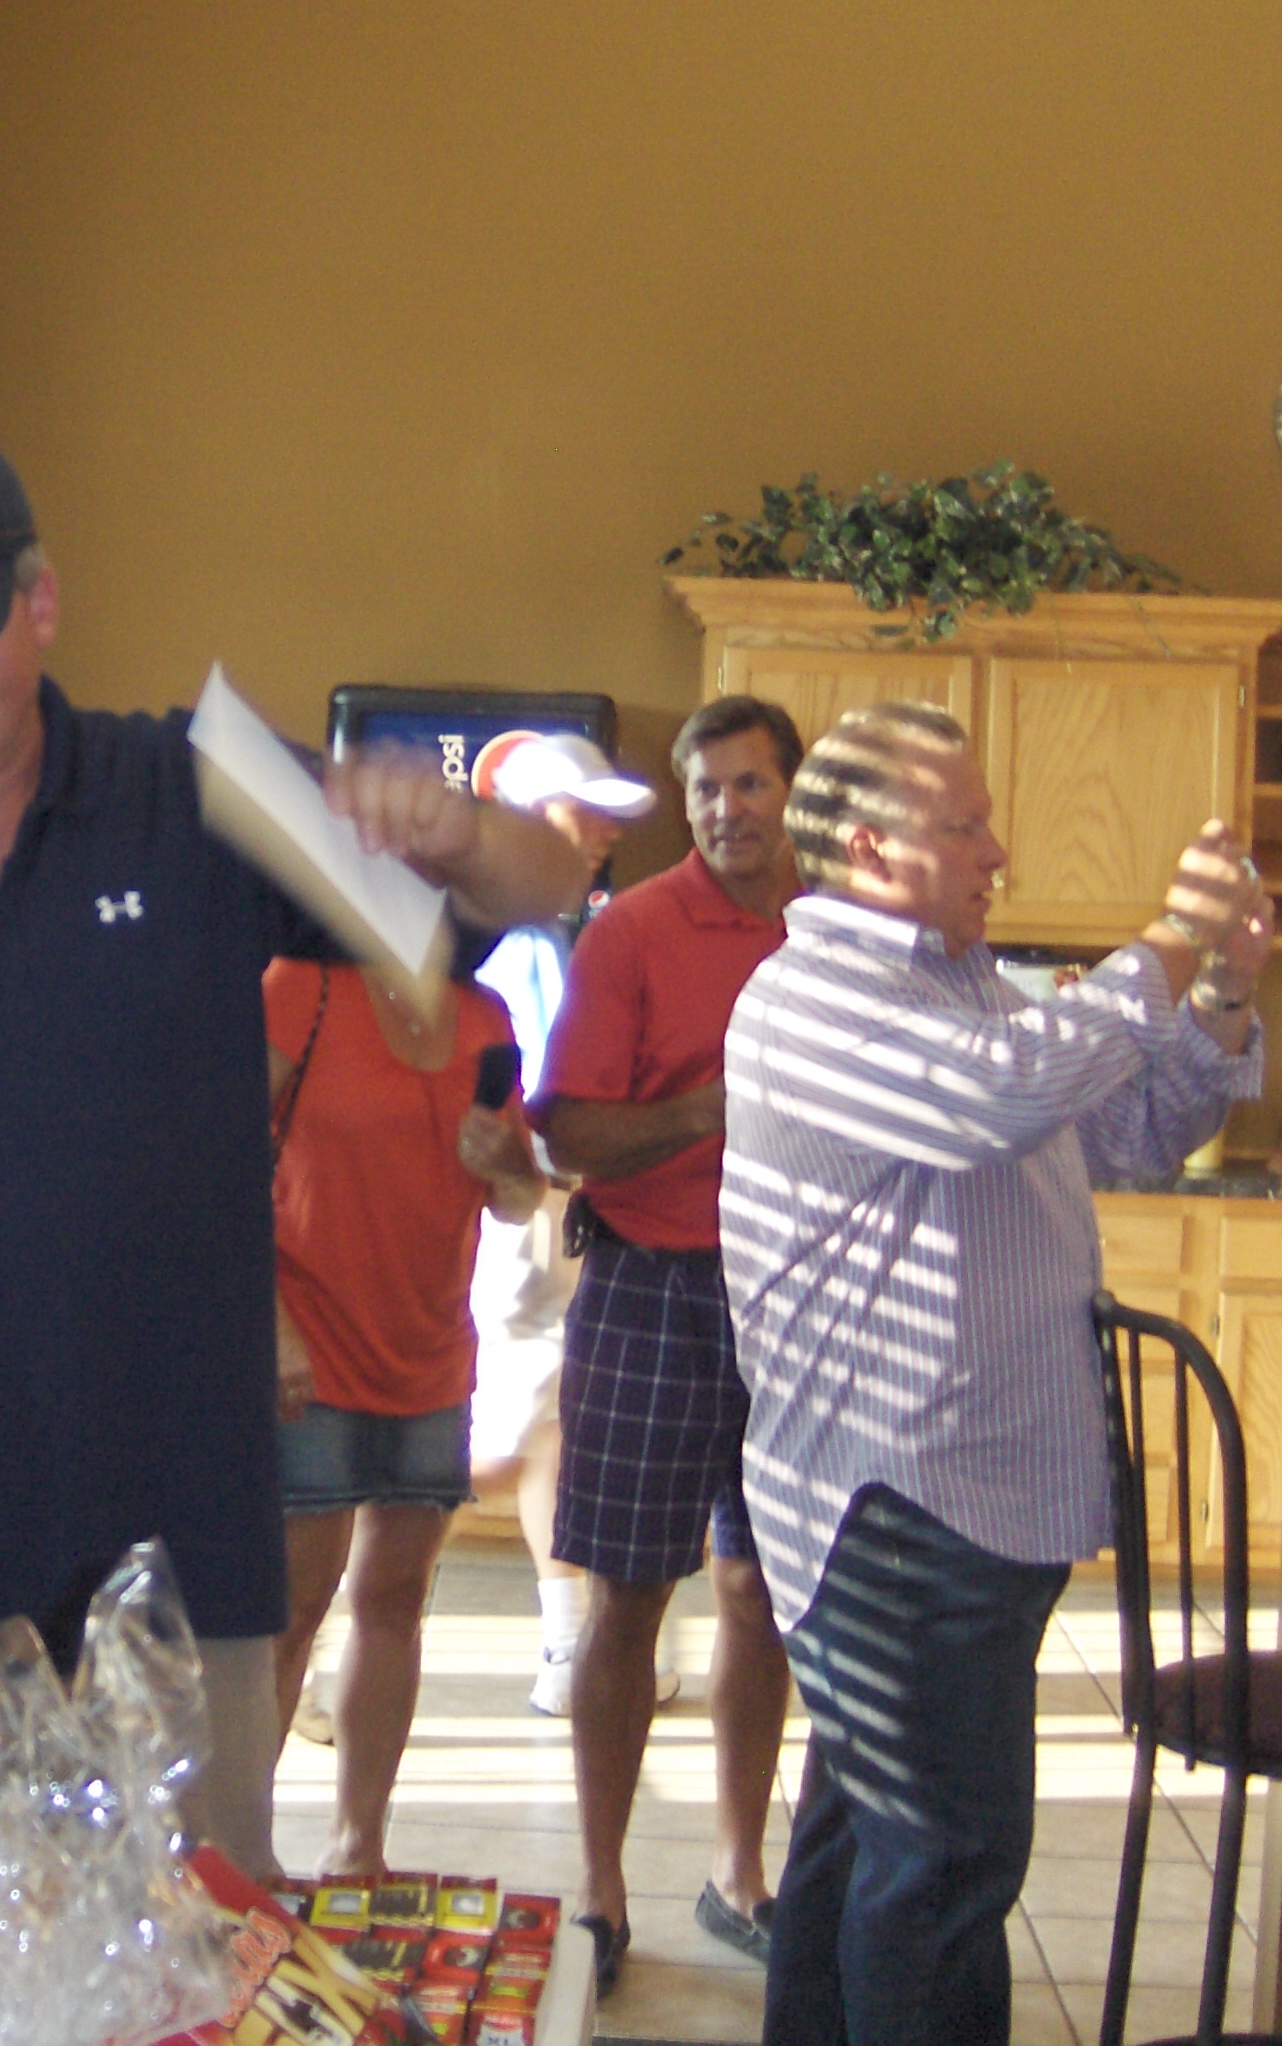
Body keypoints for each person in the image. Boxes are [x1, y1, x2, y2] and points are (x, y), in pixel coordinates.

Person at [0, 422, 586, 1877]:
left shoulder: (192, 796)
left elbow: (538, 879)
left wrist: (455, 830)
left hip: (178, 1596)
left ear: (41, 603)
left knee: (188, 1972)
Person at [720, 702, 1267, 2046]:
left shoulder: (967, 987)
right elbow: (1001, 1095)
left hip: (955, 1500)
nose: (998, 851)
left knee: (869, 1845)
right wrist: (1168, 938)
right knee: (942, 1869)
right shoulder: (815, 995)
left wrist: (1219, 993)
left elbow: (1131, 1132)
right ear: (870, 846)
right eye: (966, 825)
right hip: (902, 1504)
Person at [529, 696, 805, 1983]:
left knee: (764, 1593)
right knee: (626, 1598)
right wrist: (710, 1108)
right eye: (705, 788)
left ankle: (738, 1869)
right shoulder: (632, 928)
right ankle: (598, 1883)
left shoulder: (835, 931)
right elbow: (565, 1129)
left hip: (797, 1296)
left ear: (791, 794)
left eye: (748, 784)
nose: (724, 808)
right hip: (650, 1286)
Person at [265, 959, 539, 1876]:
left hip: (429, 1348)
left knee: (395, 1599)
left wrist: (512, 1167)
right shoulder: (300, 987)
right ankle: (242, 1855)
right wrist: (269, 1325)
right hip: (308, 1348)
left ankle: (359, 1848)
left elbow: (516, 1200)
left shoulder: (483, 1013)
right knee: (291, 1609)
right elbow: (207, 1161)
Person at [461, 733, 661, 1724]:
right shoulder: (527, 943)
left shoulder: (529, 931)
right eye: (584, 813)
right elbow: (544, 1106)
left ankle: (565, 1648)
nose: (602, 834)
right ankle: (314, 1627)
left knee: (549, 1427)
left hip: (533, 1211)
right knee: (501, 1437)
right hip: (527, 1216)